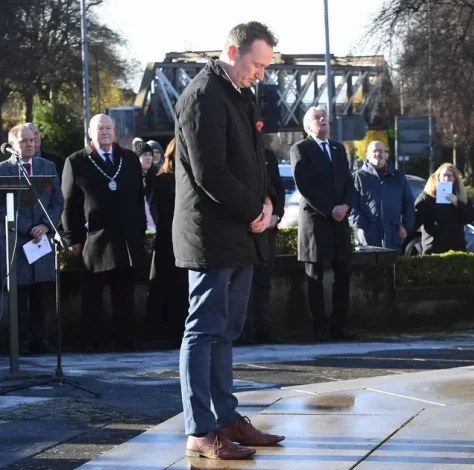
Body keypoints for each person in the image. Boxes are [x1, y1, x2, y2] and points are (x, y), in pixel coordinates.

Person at [173, 21, 285, 460]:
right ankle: (201, 430)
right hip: (211, 235)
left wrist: (270, 203)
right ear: (233, 51)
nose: (261, 74)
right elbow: (210, 173)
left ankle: (226, 418)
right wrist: (254, 211)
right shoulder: (203, 96)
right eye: (256, 64)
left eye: (265, 67)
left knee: (225, 331)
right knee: (203, 331)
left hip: (238, 232)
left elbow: (257, 162)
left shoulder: (240, 93)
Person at [61, 114, 146, 351]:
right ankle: (92, 341)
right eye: (99, 128)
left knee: (125, 292)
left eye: (108, 128)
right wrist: (73, 238)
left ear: (115, 132)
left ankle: (125, 339)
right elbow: (68, 204)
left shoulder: (129, 159)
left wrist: (139, 231)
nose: (105, 132)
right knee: (93, 295)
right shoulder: (76, 161)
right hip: (94, 239)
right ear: (90, 132)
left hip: (127, 237)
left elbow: (139, 199)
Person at [290, 106, 357, 341]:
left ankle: (340, 326)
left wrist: (346, 206)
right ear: (308, 127)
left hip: (340, 221)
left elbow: (349, 182)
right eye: (317, 118)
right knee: (315, 276)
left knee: (343, 273)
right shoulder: (300, 149)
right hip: (316, 221)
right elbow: (305, 186)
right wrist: (330, 209)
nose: (323, 120)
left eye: (325, 117)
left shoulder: (339, 149)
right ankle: (319, 328)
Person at [0, 124, 63, 354]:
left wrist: (45, 226)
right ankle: (19, 342)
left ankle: (39, 338)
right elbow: (1, 208)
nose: (30, 144)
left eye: (33, 140)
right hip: (17, 240)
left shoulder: (47, 167)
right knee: (20, 294)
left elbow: (58, 201)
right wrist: (28, 228)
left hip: (41, 239)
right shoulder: (3, 170)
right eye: (24, 141)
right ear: (12, 144)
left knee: (40, 293)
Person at [145, 140, 188, 342]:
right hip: (168, 242)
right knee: (165, 287)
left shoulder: (191, 178)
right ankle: (161, 332)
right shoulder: (163, 179)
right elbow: (165, 212)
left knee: (182, 289)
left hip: (187, 242)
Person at [242, 145, 285, 344]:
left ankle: (262, 327)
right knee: (243, 282)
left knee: (264, 281)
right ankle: (244, 329)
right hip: (246, 228)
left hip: (267, 230)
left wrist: (276, 214)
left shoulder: (267, 154)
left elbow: (277, 186)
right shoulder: (236, 150)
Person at [350, 140, 415, 250]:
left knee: (392, 267)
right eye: (374, 151)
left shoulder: (398, 177)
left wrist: (406, 227)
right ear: (367, 155)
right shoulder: (358, 177)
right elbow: (351, 205)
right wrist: (363, 225)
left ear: (386, 154)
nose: (377, 154)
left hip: (393, 235)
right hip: (368, 236)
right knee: (368, 266)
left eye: (381, 151)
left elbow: (408, 203)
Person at [414, 163, 474, 254]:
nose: (446, 179)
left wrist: (457, 204)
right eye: (444, 176)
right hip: (433, 248)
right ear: (438, 177)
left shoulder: (460, 196)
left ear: (454, 179)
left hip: (456, 248)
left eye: (449, 176)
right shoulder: (427, 196)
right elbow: (415, 220)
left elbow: (470, 217)